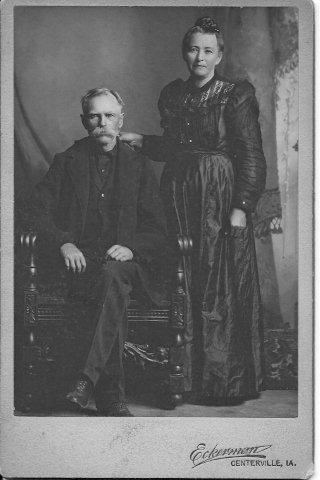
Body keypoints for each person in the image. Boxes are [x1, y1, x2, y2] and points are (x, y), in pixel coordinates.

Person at [120, 17, 267, 406]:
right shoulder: (173, 93)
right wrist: (143, 141)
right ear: (184, 52)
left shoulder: (235, 94)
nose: (198, 57)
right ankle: (182, 377)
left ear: (219, 55)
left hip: (218, 193)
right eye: (192, 49)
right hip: (177, 191)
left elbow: (251, 154)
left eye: (207, 50)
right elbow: (172, 147)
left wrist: (241, 207)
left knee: (216, 280)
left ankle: (220, 382)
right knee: (182, 274)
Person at [21, 87, 167, 416]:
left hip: (128, 264)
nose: (103, 122)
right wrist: (63, 241)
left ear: (121, 119)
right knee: (107, 283)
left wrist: (131, 247)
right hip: (80, 266)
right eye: (95, 116)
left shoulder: (140, 166)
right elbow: (33, 210)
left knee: (113, 275)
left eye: (109, 115)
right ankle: (112, 399)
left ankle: (85, 381)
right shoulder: (67, 161)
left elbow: (159, 230)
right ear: (84, 121)